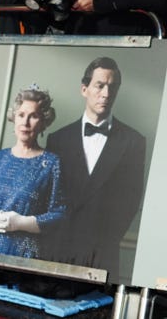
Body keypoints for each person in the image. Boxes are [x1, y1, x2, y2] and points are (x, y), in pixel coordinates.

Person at [45, 57, 145, 283]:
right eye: (100, 85)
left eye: (113, 87)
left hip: (103, 255)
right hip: (59, 252)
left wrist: (103, 243)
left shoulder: (134, 141)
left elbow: (131, 200)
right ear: (84, 89)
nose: (106, 94)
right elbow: (50, 199)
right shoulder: (58, 139)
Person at [0, 86, 64, 258]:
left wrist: (20, 223)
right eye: (21, 115)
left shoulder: (51, 163)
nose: (25, 122)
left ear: (43, 122)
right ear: (14, 118)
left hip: (22, 256)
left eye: (33, 116)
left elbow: (58, 215)